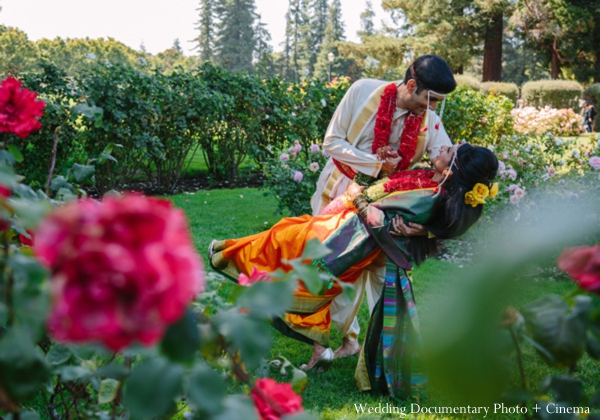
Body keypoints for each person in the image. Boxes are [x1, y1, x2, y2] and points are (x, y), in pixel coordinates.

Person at [209, 143, 499, 401]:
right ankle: (314, 347)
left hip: (349, 238)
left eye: (448, 152)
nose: (441, 148)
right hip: (346, 229)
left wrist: (356, 195)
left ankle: (227, 255)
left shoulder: (429, 196)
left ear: (452, 169)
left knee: (283, 243)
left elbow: (379, 218)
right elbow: (388, 193)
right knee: (297, 256)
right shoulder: (429, 180)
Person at [312, 54, 457, 358]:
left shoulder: (429, 120)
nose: (432, 109)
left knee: (380, 270)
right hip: (338, 188)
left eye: (437, 103)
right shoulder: (363, 90)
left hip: (386, 205)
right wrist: (377, 165)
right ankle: (338, 341)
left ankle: (386, 350)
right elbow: (331, 142)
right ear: (412, 84)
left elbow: (448, 166)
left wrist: (430, 226)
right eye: (430, 100)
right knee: (331, 263)